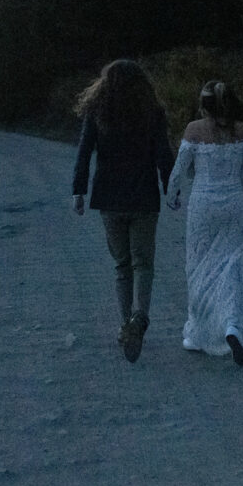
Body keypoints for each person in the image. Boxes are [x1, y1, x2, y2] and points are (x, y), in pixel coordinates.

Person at [73, 59, 175, 361]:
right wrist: (172, 189)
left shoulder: (97, 111)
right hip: (143, 197)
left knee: (122, 265)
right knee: (143, 263)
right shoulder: (152, 112)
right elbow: (163, 154)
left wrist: (78, 191)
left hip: (109, 198)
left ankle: (124, 324)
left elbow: (83, 152)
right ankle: (139, 318)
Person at [166, 80, 243, 366]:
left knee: (199, 265)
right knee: (230, 263)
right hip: (235, 203)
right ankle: (231, 325)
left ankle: (198, 333)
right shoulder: (242, 131)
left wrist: (172, 195)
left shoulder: (194, 130)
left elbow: (178, 170)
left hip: (203, 204)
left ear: (204, 105)